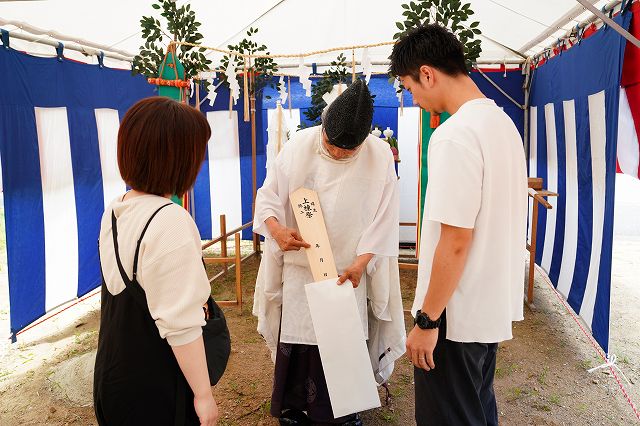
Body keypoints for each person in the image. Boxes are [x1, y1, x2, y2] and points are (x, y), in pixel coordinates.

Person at [389, 25, 528, 425]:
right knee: (477, 410)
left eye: (411, 88)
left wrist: (427, 319)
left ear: (427, 73)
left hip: (454, 312)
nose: (414, 99)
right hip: (486, 305)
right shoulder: (503, 126)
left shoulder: (455, 135)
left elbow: (454, 240)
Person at [252, 80, 406, 425]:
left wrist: (362, 262)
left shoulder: (379, 155)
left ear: (364, 141)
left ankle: (345, 413)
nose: (337, 154)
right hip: (301, 266)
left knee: (342, 340)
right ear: (323, 126)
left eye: (347, 151)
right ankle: (295, 410)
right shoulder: (300, 146)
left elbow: (385, 218)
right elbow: (268, 197)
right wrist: (277, 230)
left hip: (348, 270)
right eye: (331, 146)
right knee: (301, 338)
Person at [94, 97, 219, 426]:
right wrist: (204, 396)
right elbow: (181, 325)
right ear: (177, 159)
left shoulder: (116, 208)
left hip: (112, 373)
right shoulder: (170, 220)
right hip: (155, 387)